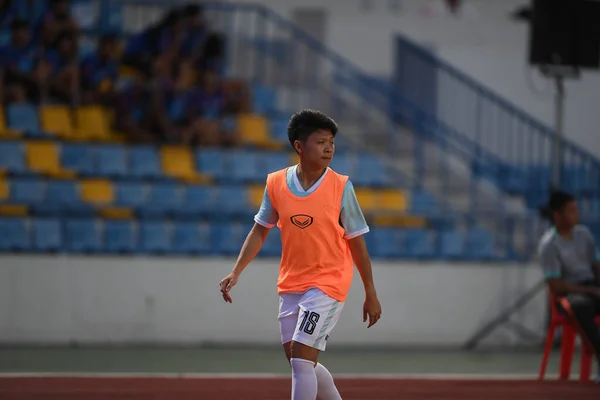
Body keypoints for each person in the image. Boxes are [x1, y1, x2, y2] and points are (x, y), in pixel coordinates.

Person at [219, 109, 382, 400]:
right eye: (321, 142)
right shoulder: (276, 183)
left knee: (301, 358)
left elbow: (357, 243)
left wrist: (370, 291)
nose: (329, 148)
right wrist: (236, 271)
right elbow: (260, 229)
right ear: (299, 146)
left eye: (331, 141)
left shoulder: (341, 187)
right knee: (299, 358)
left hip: (329, 283)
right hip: (292, 283)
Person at [537, 190, 600, 382]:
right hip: (568, 295)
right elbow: (556, 286)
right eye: (571, 211)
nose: (577, 215)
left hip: (591, 287)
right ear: (558, 215)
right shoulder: (550, 245)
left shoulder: (584, 235)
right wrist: (590, 291)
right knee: (581, 307)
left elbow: (596, 267)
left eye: (576, 210)